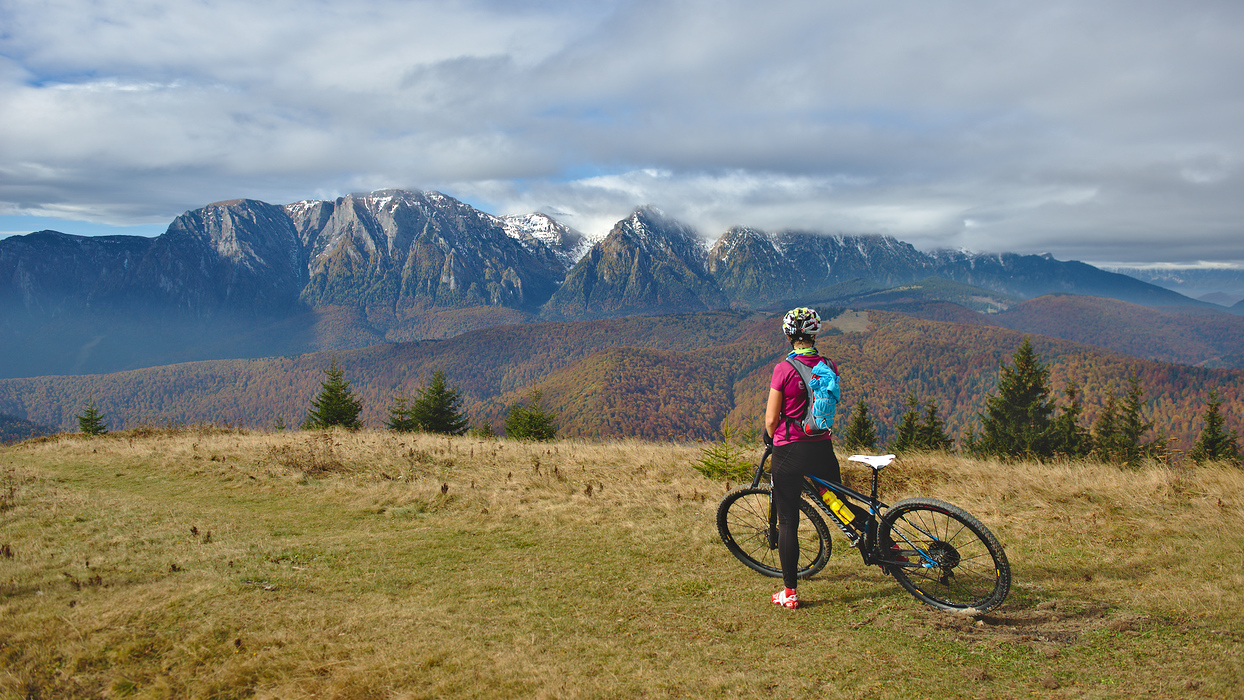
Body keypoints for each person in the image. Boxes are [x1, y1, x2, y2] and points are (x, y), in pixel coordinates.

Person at [764, 307, 841, 609]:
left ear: (787, 335)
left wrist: (770, 438)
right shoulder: (829, 364)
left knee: (788, 522)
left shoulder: (783, 370)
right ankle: (889, 544)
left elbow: (772, 419)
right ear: (815, 333)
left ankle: (790, 593)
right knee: (840, 505)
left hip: (790, 450)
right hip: (821, 446)